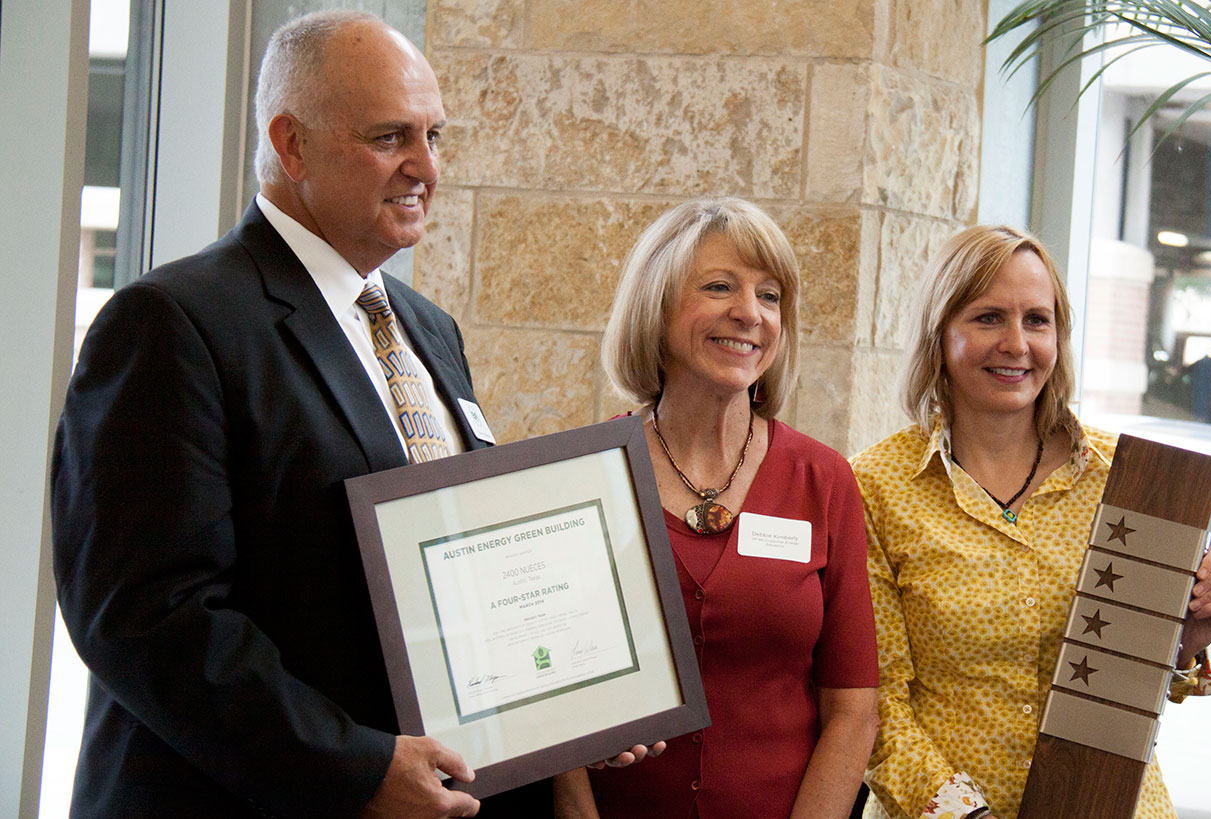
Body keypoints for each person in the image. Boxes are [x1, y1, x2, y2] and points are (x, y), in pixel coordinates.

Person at [49, 11, 657, 818]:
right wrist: (356, 766)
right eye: (390, 137)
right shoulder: (169, 322)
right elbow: (148, 620)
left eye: (435, 136)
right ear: (292, 145)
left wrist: (564, 704)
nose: (425, 168)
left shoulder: (426, 328)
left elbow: (457, 562)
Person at [850, 225, 1211, 819]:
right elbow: (874, 703)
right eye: (987, 318)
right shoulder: (875, 486)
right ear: (940, 331)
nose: (1016, 343)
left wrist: (1184, 642)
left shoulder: (1130, 480)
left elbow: (1142, 682)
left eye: (1037, 320)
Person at [552, 197, 880, 819]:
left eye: (770, 295)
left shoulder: (824, 479)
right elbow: (551, 704)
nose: (749, 313)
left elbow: (853, 710)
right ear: (657, 306)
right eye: (719, 286)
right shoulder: (582, 473)